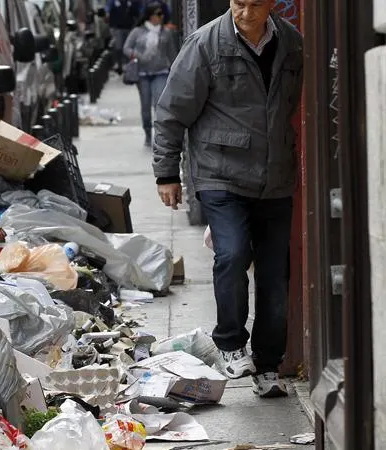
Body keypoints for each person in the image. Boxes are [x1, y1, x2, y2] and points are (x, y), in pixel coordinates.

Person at [152, 0, 303, 398]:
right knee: (233, 254)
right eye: (238, 3)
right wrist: (167, 173)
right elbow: (171, 111)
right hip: (220, 173)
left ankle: (268, 364)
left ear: (272, 4)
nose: (245, 13)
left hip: (275, 178)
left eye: (255, 4)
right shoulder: (205, 44)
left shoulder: (291, 43)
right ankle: (231, 342)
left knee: (275, 275)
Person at [123, 2, 179, 147]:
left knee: (159, 105)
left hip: (161, 72)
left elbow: (172, 54)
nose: (161, 17)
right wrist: (138, 55)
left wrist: (175, 73)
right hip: (142, 74)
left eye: (162, 14)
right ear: (150, 16)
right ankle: (147, 132)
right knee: (145, 106)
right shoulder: (137, 31)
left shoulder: (166, 33)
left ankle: (158, 135)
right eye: (158, 14)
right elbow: (126, 48)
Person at [106, 0, 141, 73]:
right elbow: (110, 14)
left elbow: (136, 14)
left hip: (129, 27)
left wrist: (131, 6)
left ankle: (127, 64)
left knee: (127, 47)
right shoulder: (114, 2)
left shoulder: (130, 2)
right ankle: (119, 64)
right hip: (118, 28)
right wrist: (111, 27)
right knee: (118, 47)